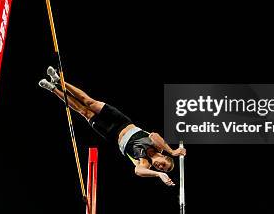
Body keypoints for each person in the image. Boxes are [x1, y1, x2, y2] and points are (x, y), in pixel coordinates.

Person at [39, 67, 186, 186]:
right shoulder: (159, 147)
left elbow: (138, 171)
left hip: (111, 133)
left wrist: (159, 174)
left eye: (161, 169)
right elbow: (154, 135)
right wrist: (172, 151)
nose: (160, 167)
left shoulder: (145, 163)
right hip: (122, 122)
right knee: (89, 102)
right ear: (164, 157)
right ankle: (60, 80)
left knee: (84, 111)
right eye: (163, 166)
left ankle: (53, 88)